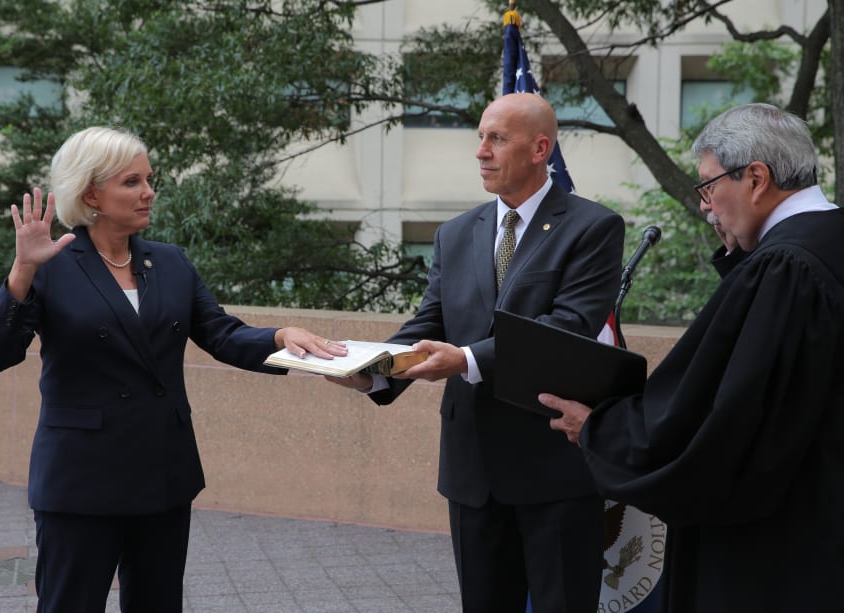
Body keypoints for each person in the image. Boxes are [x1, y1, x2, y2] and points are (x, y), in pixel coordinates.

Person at [0, 126, 348, 613]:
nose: (149, 192)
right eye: (132, 182)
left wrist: (278, 338)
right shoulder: (51, 264)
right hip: (82, 479)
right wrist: (22, 273)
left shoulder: (169, 262)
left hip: (163, 473)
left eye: (149, 179)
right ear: (91, 193)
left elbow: (221, 333)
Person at [542, 103, 844, 612]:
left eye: (708, 186)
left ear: (755, 178)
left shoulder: (784, 269)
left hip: (776, 549)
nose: (705, 206)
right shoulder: (821, 245)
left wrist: (603, 429)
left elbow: (720, 416)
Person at [329, 93, 625, 611]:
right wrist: (374, 371)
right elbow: (429, 323)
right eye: (480, 138)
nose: (481, 152)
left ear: (539, 149)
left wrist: (464, 361)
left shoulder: (593, 228)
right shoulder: (456, 233)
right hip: (473, 475)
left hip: (552, 471)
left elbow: (567, 328)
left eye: (496, 139)